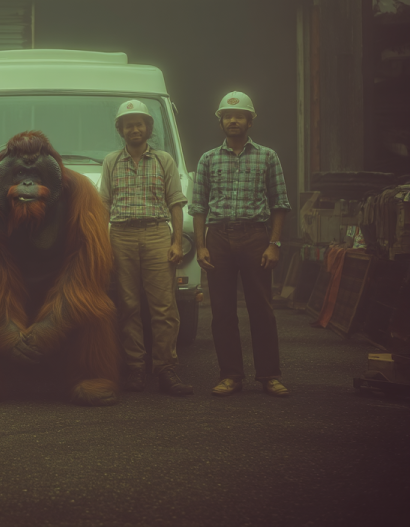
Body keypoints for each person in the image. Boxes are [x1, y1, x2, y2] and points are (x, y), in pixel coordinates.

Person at [189, 91, 291, 398]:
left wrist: (274, 244)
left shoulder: (267, 156)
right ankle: (231, 375)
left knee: (261, 308)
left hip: (255, 237)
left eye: (239, 116)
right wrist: (201, 246)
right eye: (227, 116)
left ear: (250, 121)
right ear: (221, 121)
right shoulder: (208, 159)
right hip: (218, 238)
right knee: (221, 310)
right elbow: (198, 207)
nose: (233, 120)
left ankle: (269, 375)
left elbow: (280, 203)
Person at [100, 100, 192, 396]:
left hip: (156, 234)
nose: (135, 129)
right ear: (121, 130)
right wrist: (103, 241)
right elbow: (104, 204)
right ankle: (135, 369)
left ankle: (166, 369)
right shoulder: (111, 161)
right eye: (129, 124)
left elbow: (175, 203)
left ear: (148, 128)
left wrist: (177, 242)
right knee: (128, 306)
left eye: (140, 123)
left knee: (164, 307)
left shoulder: (164, 160)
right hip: (122, 236)